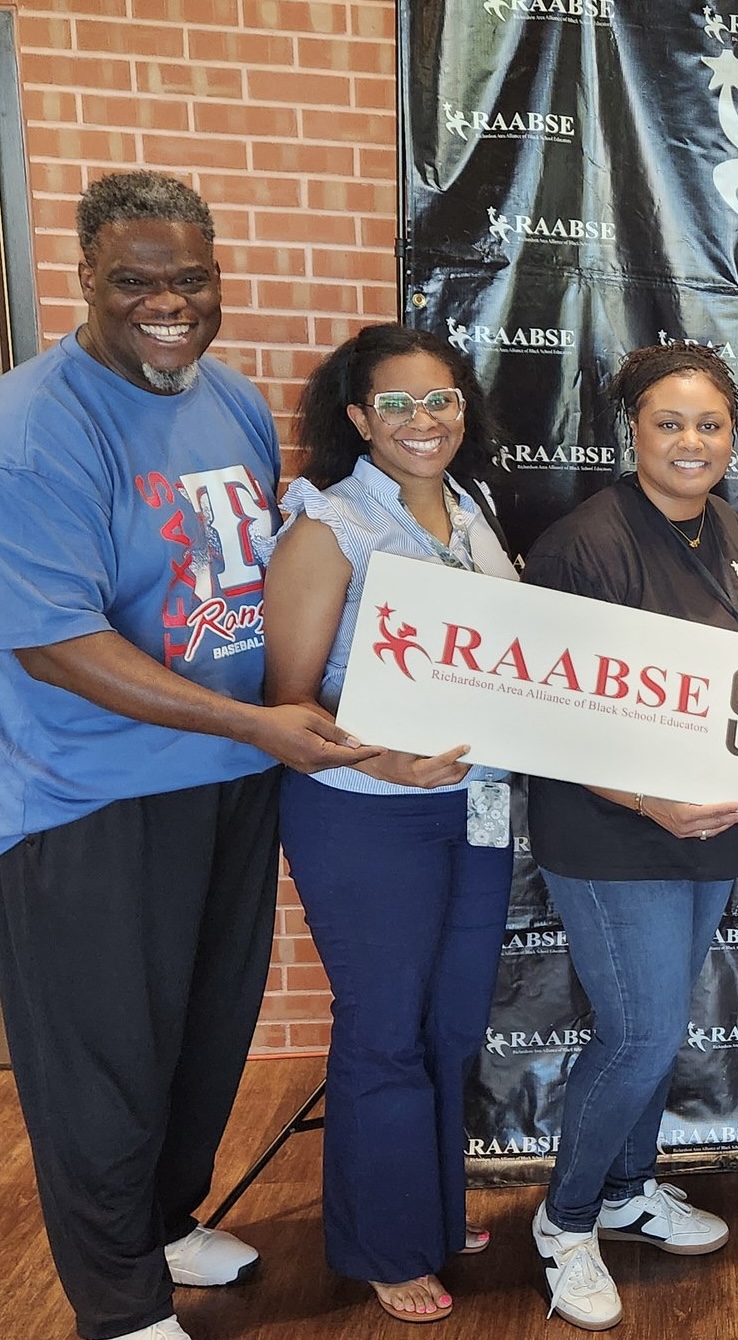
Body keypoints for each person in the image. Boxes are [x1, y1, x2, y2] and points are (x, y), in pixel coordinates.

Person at [0, 171, 375, 1340]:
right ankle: (118, 1304)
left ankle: (163, 1221)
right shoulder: (32, 427)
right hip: (89, 794)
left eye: (189, 279)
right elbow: (57, 644)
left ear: (217, 276)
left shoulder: (230, 397)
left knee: (204, 1035)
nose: (167, 303)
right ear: (84, 280)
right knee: (103, 1061)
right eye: (135, 282)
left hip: (228, 780)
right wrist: (256, 723)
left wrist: (293, 709)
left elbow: (256, 578)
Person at [261, 324, 520, 1324]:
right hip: (365, 818)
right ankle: (381, 1242)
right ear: (359, 417)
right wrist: (385, 757)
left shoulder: (476, 511)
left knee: (452, 1025)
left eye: (442, 399)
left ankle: (431, 1205)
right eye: (399, 404)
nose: (425, 420)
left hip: (478, 807)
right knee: (384, 1029)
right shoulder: (326, 529)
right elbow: (288, 713)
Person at [523, 343, 738, 1331]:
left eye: (708, 424)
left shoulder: (724, 522)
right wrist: (645, 802)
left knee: (657, 1025)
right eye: (669, 422)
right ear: (629, 428)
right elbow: (543, 713)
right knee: (637, 1033)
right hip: (611, 829)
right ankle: (566, 1218)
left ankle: (629, 1187)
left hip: (705, 828)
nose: (691, 441)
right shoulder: (579, 545)